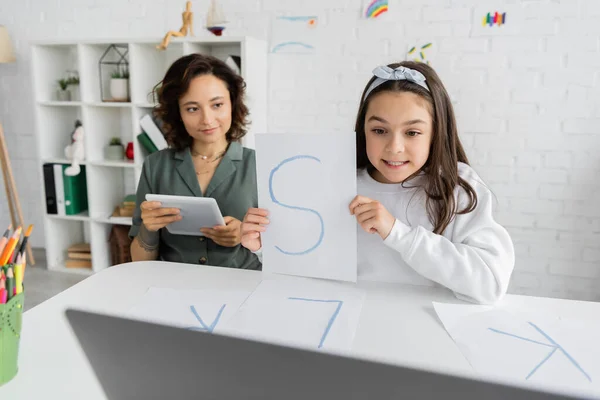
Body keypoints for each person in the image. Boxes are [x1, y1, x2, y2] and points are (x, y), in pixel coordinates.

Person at [240, 61, 515, 304]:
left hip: (423, 338)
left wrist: (397, 232)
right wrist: (266, 246)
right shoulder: (337, 180)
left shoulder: (457, 187)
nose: (394, 147)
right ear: (363, 129)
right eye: (380, 130)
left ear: (436, 133)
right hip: (348, 332)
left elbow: (489, 285)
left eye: (412, 132)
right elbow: (310, 277)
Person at [129, 53, 260, 271]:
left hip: (243, 289)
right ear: (178, 113)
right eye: (192, 108)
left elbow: (284, 251)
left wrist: (248, 237)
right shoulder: (156, 166)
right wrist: (148, 229)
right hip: (176, 289)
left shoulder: (258, 164)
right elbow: (139, 263)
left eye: (217, 105)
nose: (207, 119)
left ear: (232, 104)